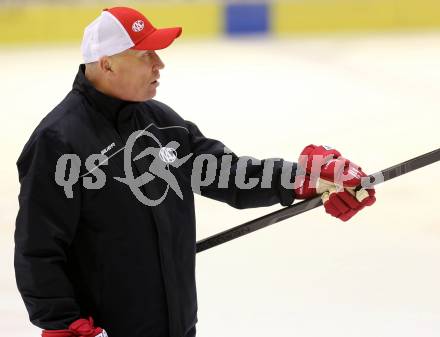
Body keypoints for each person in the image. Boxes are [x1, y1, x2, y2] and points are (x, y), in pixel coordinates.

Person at [14, 6, 376, 337]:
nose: (159, 64)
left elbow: (227, 173)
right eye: (145, 55)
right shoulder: (60, 141)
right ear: (107, 64)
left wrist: (303, 178)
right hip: (104, 330)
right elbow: (38, 246)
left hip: (177, 323)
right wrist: (62, 323)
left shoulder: (162, 124)